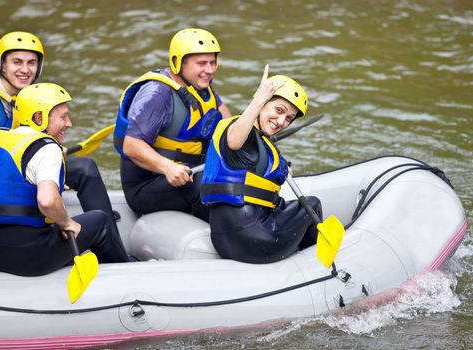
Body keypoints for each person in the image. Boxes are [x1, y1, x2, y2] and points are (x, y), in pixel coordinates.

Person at [0, 83, 129, 276]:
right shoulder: (47, 149)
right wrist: (66, 222)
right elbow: (47, 201)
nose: (69, 123)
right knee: (101, 220)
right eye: (63, 117)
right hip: (28, 257)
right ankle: (127, 275)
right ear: (39, 118)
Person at [0, 31, 119, 224]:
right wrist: (44, 170)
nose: (25, 70)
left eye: (31, 63)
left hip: (20, 167)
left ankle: (106, 225)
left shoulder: (29, 95)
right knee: (83, 167)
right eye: (17, 62)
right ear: (1, 64)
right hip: (1, 176)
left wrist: (51, 157)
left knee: (85, 168)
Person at [201, 65, 323, 264]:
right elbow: (234, 141)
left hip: (225, 237)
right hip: (253, 238)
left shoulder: (258, 141)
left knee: (281, 205)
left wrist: (282, 168)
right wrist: (258, 100)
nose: (281, 121)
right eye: (279, 110)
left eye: (289, 118)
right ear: (263, 103)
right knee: (312, 205)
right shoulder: (239, 130)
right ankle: (316, 266)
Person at [114, 28, 231, 221]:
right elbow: (132, 146)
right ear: (178, 63)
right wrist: (168, 167)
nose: (209, 70)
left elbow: (229, 128)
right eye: (201, 63)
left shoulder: (202, 87)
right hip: (147, 185)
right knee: (202, 183)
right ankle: (232, 233)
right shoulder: (158, 94)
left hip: (190, 171)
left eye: (213, 62)